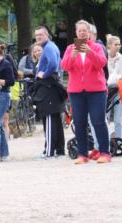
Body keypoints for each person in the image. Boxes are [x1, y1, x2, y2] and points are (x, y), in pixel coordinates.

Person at [60, 20, 111, 164]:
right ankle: (82, 154)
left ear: (89, 33)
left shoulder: (97, 47)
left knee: (98, 121)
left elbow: (102, 63)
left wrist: (90, 52)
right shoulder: (70, 48)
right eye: (79, 31)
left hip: (97, 90)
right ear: (76, 33)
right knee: (79, 122)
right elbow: (65, 66)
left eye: (85, 30)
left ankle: (104, 152)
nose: (82, 33)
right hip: (76, 91)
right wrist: (72, 56)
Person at [34, 26, 64, 158]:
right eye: (36, 35)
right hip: (52, 85)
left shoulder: (48, 47)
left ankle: (49, 151)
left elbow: (53, 64)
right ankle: (59, 149)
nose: (38, 37)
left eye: (40, 34)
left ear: (46, 34)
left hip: (48, 85)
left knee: (49, 116)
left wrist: (43, 74)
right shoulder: (51, 46)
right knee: (55, 118)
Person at [105, 35, 122, 140]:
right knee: (105, 117)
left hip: (118, 90)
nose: (118, 46)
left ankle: (118, 140)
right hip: (106, 90)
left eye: (119, 44)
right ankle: (106, 138)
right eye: (115, 44)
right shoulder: (104, 57)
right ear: (109, 45)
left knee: (118, 119)